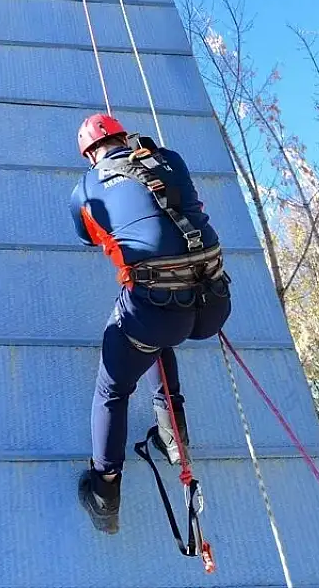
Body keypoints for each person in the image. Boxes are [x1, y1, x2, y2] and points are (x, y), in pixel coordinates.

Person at [69, 113, 232, 534]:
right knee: (155, 333)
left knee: (113, 385)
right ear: (126, 137)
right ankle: (172, 436)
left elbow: (90, 234)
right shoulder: (170, 158)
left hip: (160, 308)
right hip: (213, 302)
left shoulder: (87, 187)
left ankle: (105, 489)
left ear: (90, 155)